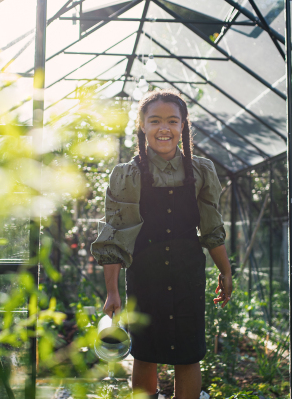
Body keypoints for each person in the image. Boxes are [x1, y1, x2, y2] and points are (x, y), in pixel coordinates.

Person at [91, 89, 233, 399]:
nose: (164, 129)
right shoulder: (127, 175)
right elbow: (114, 236)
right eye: (155, 121)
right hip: (145, 274)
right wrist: (113, 291)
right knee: (146, 352)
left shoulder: (200, 171)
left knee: (188, 353)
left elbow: (211, 229)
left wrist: (226, 271)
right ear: (142, 125)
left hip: (187, 274)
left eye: (172, 121)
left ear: (184, 125)